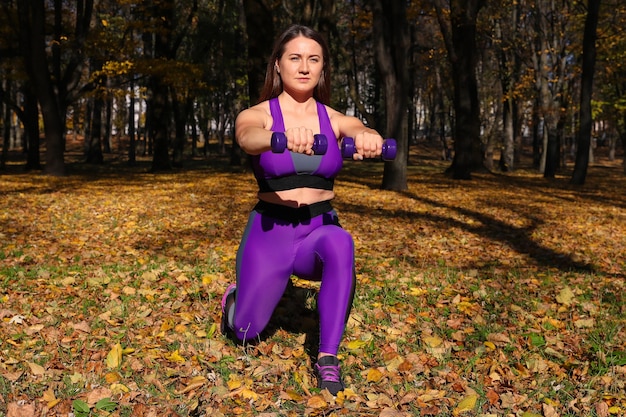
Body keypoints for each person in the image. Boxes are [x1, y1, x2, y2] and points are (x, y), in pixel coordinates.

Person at [220, 24, 384, 396]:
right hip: (270, 232)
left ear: (323, 67)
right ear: (278, 64)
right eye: (295, 58)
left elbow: (357, 128)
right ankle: (235, 298)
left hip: (317, 230)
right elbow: (247, 137)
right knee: (245, 331)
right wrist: (277, 139)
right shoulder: (259, 114)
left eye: (314, 59)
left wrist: (367, 135)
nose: (304, 67)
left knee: (341, 242)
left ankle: (327, 358)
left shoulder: (334, 118)